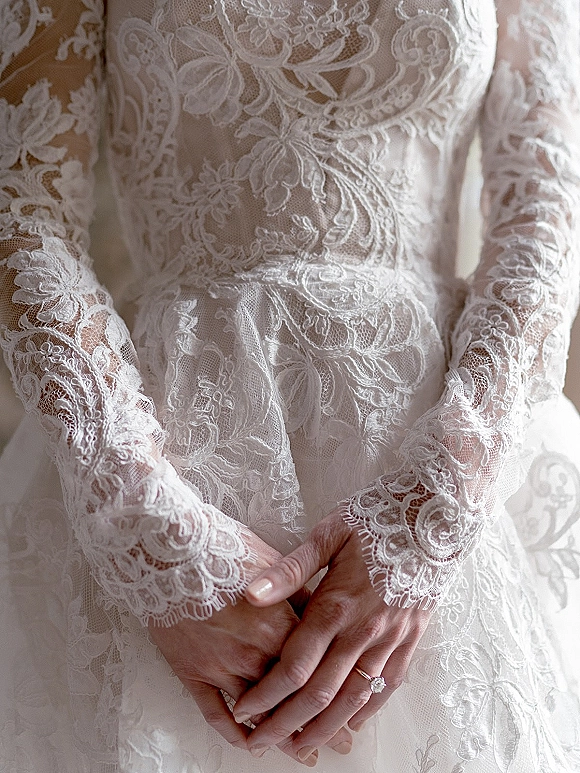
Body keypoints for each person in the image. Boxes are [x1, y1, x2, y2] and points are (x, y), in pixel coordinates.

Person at [1, 0, 580, 770]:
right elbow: (26, 211)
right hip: (173, 454)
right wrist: (144, 529)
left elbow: (545, 209)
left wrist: (436, 507)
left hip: (445, 449)